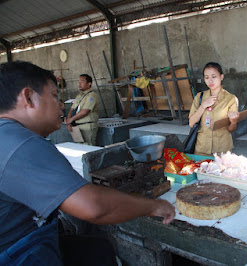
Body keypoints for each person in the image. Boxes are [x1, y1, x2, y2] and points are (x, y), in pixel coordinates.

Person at [0, 61, 175, 265]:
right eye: (55, 96)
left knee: (96, 251)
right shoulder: (21, 144)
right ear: (28, 97)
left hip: (33, 241)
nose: (61, 104)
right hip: (18, 254)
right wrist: (152, 206)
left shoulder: (9, 135)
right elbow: (94, 206)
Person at [189, 62, 239, 156]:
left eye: (214, 76)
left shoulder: (230, 99)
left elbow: (231, 129)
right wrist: (203, 105)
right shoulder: (199, 97)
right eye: (207, 77)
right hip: (201, 149)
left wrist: (234, 122)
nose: (210, 81)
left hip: (222, 151)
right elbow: (191, 123)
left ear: (221, 77)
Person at [65, 74, 98, 145]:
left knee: (88, 147)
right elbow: (72, 109)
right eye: (79, 82)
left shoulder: (91, 95)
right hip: (76, 127)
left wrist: (71, 119)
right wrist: (69, 122)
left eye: (82, 82)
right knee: (79, 147)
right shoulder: (79, 96)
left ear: (89, 84)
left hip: (87, 126)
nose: (79, 84)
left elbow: (85, 111)